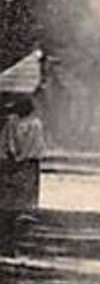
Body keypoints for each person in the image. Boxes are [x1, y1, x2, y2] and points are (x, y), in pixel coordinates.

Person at [0, 95, 46, 251]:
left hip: (12, 164)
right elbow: (36, 147)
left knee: (9, 201)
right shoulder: (35, 124)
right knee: (23, 201)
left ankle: (10, 238)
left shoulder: (11, 123)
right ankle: (17, 236)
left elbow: (6, 145)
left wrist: (13, 157)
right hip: (27, 165)